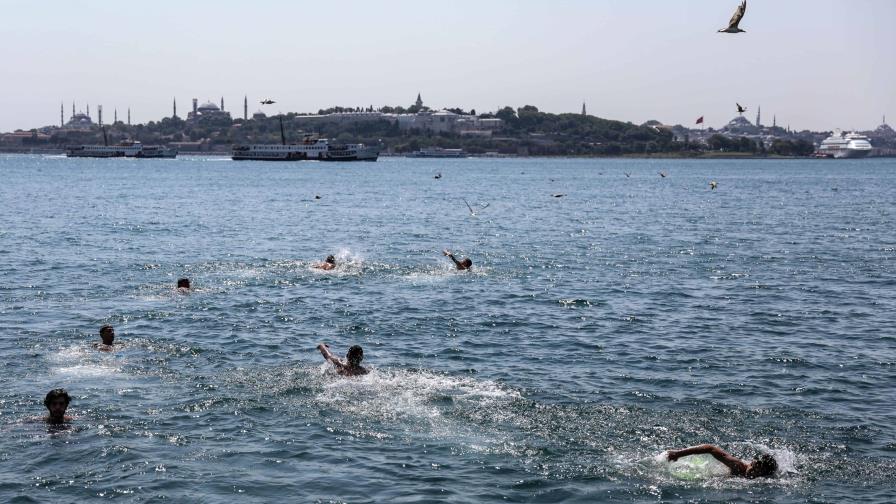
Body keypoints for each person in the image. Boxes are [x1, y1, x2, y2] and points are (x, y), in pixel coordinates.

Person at [667, 444, 777, 479]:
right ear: (752, 463)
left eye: (758, 472)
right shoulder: (738, 466)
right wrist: (678, 454)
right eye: (753, 469)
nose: (752, 473)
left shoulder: (765, 476)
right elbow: (710, 448)